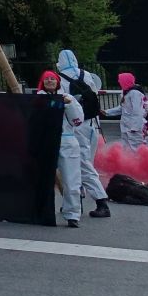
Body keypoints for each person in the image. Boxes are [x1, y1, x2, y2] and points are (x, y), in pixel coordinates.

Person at [55, 49, 111, 219]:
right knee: (83, 162)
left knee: (79, 164)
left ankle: (101, 200)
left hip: (75, 127)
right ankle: (75, 203)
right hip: (93, 124)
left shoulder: (60, 78)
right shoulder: (86, 74)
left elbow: (61, 103)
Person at [39, 70, 86, 228]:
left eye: (52, 78)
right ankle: (43, 212)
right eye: (47, 79)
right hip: (46, 142)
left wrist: (68, 105)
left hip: (66, 141)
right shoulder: (39, 98)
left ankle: (72, 214)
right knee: (42, 180)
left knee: (71, 180)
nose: (50, 81)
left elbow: (78, 121)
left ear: (58, 81)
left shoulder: (69, 98)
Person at [104, 72, 148, 149]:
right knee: (127, 148)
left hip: (134, 127)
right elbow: (122, 108)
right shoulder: (127, 93)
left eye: (120, 80)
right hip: (126, 126)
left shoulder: (135, 93)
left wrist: (135, 127)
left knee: (136, 148)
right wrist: (107, 112)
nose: (118, 82)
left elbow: (138, 111)